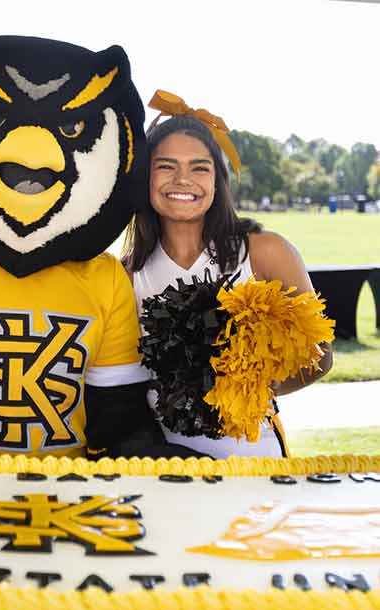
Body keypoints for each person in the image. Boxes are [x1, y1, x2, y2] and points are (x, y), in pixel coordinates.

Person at [123, 92, 333, 458]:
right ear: (146, 177)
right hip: (164, 463)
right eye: (166, 166)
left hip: (256, 457)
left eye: (199, 167)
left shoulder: (265, 252)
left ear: (218, 180)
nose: (183, 180)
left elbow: (320, 356)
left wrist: (246, 393)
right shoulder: (127, 274)